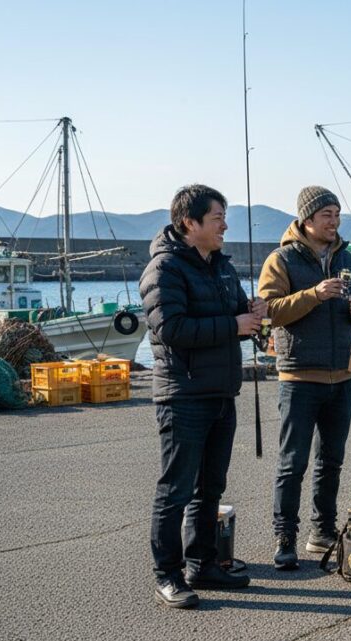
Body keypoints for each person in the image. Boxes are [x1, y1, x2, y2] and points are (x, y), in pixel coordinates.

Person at [140, 184, 266, 608]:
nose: (225, 226)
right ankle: (167, 575)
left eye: (224, 217)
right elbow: (171, 329)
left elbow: (236, 320)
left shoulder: (221, 266)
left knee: (210, 487)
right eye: (217, 218)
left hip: (221, 392)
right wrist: (234, 325)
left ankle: (203, 564)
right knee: (175, 490)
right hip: (183, 395)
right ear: (189, 223)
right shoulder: (164, 269)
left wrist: (252, 316)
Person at [258, 186, 351, 570]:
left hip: (341, 376)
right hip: (298, 377)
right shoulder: (281, 260)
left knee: (331, 460)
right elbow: (269, 311)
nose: (334, 221)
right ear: (307, 219)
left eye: (337, 214)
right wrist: (315, 294)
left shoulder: (347, 258)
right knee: (292, 463)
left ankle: (322, 531)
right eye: (327, 214)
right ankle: (284, 538)